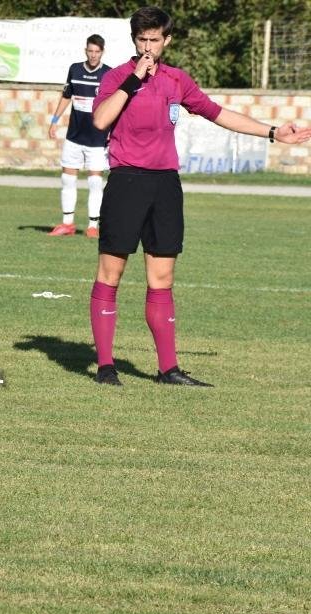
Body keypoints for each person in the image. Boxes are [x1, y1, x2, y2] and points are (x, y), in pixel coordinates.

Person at [88, 6, 311, 387]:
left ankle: (168, 369)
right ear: (133, 40)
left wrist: (273, 132)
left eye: (154, 40)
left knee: (162, 277)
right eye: (141, 40)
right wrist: (133, 81)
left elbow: (217, 113)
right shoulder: (116, 77)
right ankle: (106, 367)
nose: (147, 46)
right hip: (126, 181)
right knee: (112, 273)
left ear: (166, 41)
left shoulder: (177, 80)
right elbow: (100, 120)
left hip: (165, 186)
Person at [47, 34, 111, 238]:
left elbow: (114, 105)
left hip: (97, 138)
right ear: (86, 50)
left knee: (94, 181)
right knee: (67, 178)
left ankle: (93, 226)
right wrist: (55, 120)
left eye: (97, 52)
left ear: (102, 52)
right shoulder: (74, 69)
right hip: (74, 136)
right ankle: (67, 223)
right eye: (90, 51)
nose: (93, 55)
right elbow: (67, 96)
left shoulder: (109, 74)